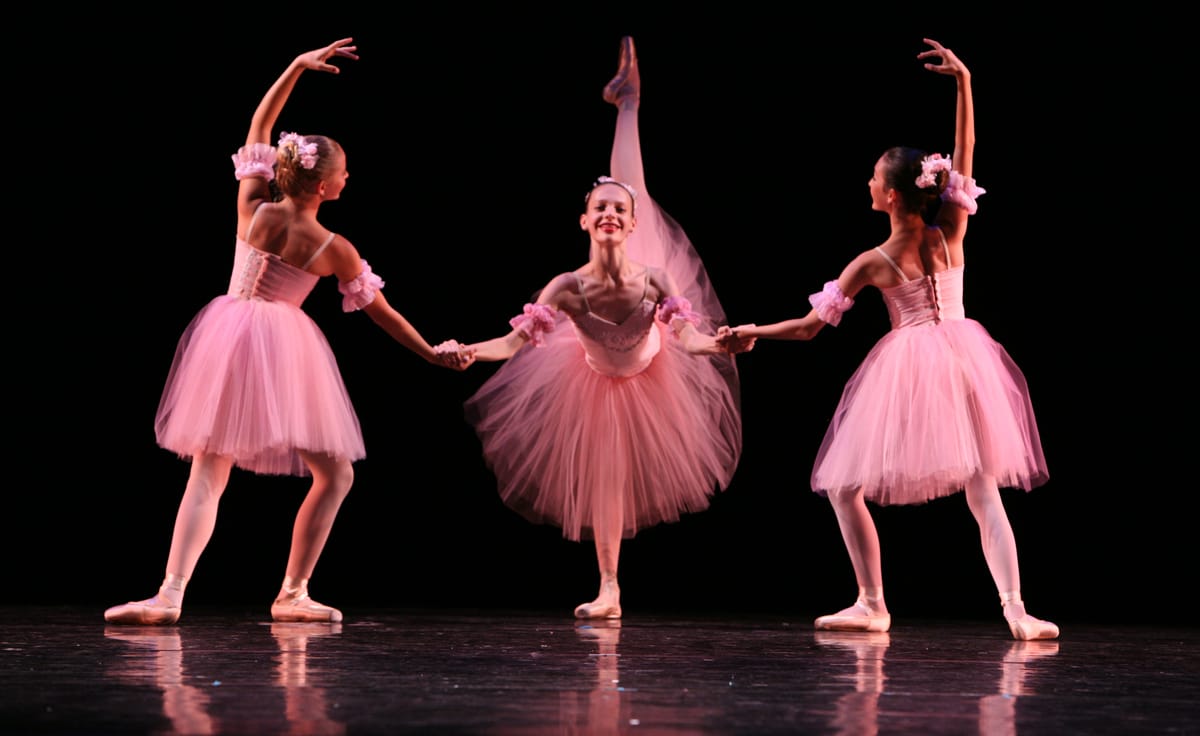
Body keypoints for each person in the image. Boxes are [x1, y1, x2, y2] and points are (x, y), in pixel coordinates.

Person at [104, 38, 471, 627]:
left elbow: (259, 125)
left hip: (226, 336)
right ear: (324, 187)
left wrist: (296, 67)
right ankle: (292, 591)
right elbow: (382, 313)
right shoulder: (332, 248)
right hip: (282, 353)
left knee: (209, 472)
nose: (348, 178)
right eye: (344, 173)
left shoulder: (255, 206)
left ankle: (170, 593)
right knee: (337, 472)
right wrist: (430, 352)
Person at [723, 39, 1058, 641]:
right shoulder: (951, 226)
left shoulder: (873, 261)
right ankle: (1016, 610)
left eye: (875, 179)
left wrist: (752, 332)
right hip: (967, 357)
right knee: (982, 488)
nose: (869, 184)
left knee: (843, 486)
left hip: (912, 366)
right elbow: (966, 151)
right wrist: (965, 83)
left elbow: (809, 327)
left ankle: (872, 603)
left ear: (893, 194)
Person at [455, 36, 750, 620]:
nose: (610, 213)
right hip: (595, 376)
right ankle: (609, 587)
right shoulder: (566, 287)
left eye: (619, 211)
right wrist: (467, 351)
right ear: (584, 221)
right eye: (600, 209)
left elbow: (688, 337)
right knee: (605, 483)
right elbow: (513, 342)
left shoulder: (656, 276)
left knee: (632, 181)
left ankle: (628, 104)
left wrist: (715, 341)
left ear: (630, 224)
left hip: (651, 365)